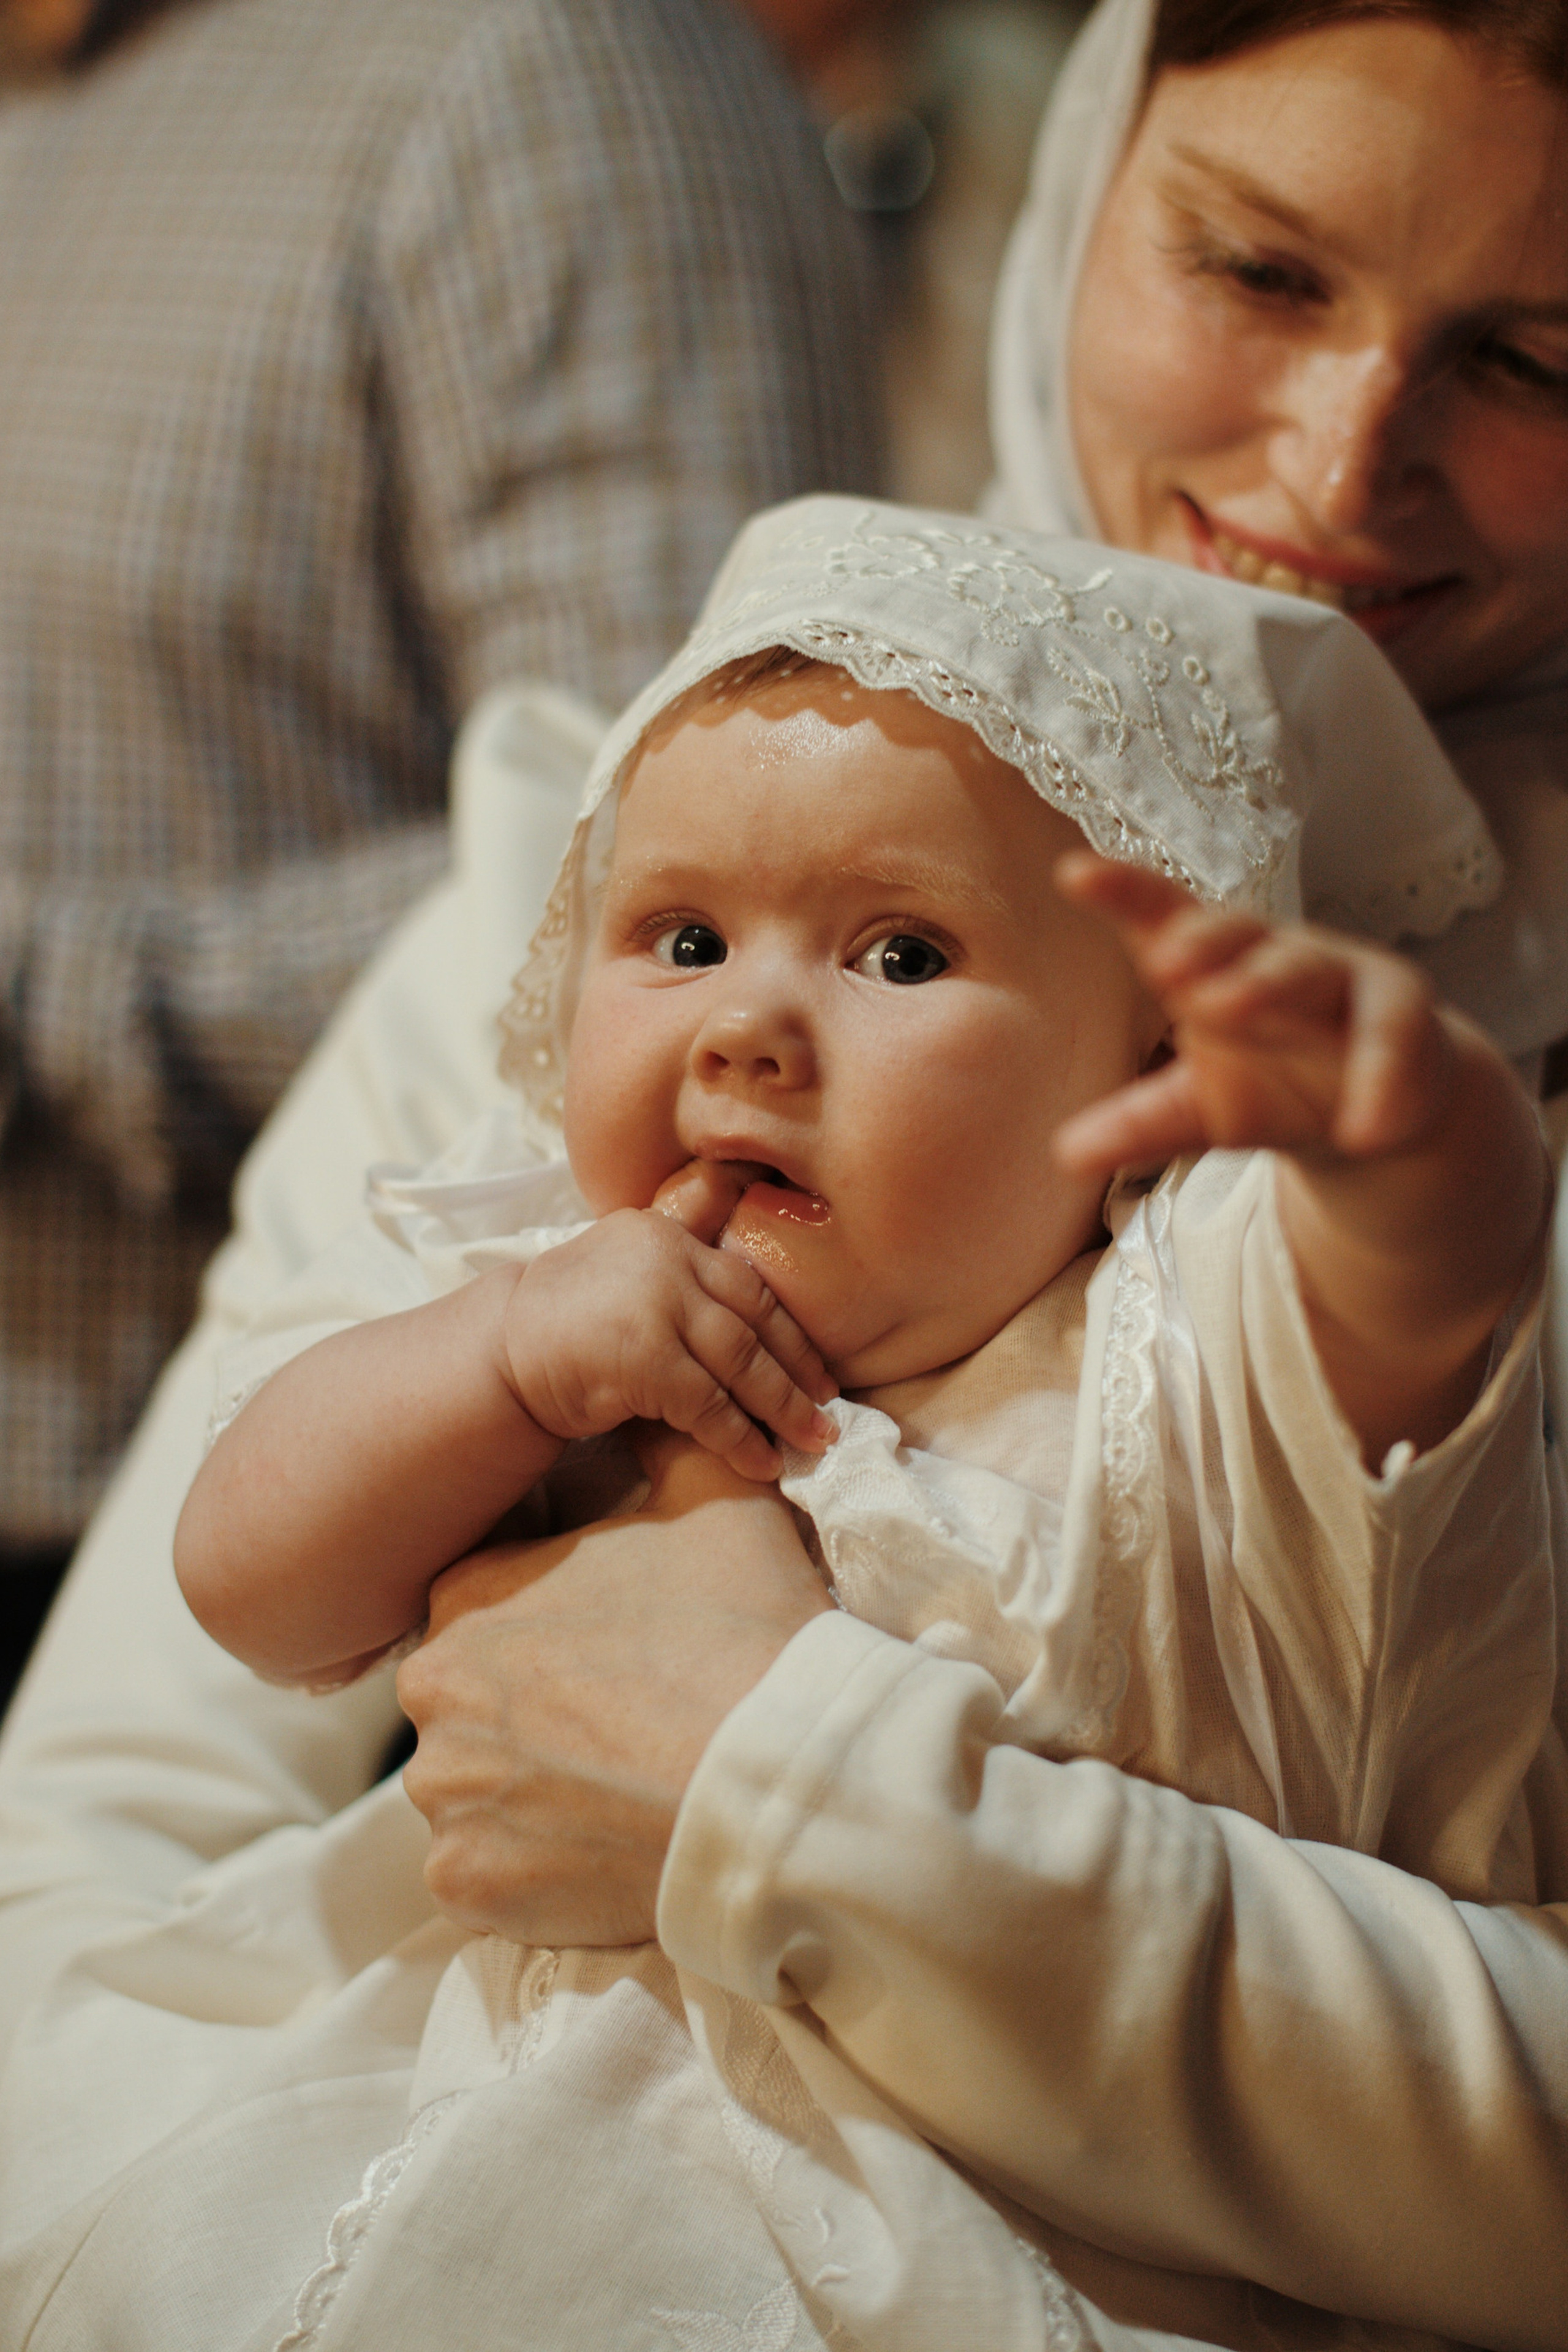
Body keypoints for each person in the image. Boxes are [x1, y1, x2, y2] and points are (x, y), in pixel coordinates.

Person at [6, 5, 1568, 2346]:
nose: (1344, 456)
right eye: (1253, 268)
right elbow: (136, 1776)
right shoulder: (589, 972)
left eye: (1535, 359)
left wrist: (798, 1790)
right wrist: (509, 1356)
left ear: (1139, 1057)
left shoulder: (1216, 1258)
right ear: (1089, 183)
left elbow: (1384, 1443)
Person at [0, 0, 880, 1687]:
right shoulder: (56, 103)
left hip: (306, 1550)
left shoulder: (542, 70)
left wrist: (53, 994)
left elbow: (692, 857)